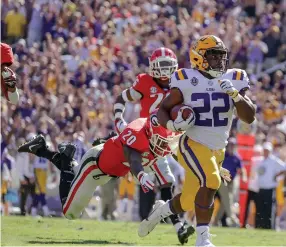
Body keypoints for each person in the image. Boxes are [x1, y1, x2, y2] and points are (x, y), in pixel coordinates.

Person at [138, 35, 256, 247]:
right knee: (211, 182)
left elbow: (249, 117)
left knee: (188, 200)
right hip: (191, 142)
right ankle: (203, 239)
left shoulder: (235, 77)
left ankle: (159, 212)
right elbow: (163, 109)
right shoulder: (185, 77)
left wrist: (236, 96)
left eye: (221, 56)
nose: (219, 61)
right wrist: (172, 126)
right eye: (213, 56)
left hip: (217, 149)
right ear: (199, 57)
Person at [17, 110, 181, 221]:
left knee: (75, 174)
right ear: (151, 134)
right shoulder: (138, 134)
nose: (164, 146)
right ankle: (66, 160)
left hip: (106, 172)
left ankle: (41, 149)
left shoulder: (154, 138)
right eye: (161, 141)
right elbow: (134, 159)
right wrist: (141, 175)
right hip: (94, 167)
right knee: (70, 213)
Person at [114, 47, 194, 244]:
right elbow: (122, 98)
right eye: (162, 65)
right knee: (167, 181)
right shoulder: (144, 81)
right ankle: (177, 226)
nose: (166, 70)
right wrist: (119, 121)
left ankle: (167, 219)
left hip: (168, 139)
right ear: (153, 67)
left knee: (170, 181)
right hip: (147, 138)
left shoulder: (179, 84)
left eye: (169, 65)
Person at [255, 142, 286, 229]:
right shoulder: (261, 160)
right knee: (261, 208)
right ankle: (260, 226)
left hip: (270, 189)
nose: (265, 152)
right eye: (264, 150)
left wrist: (276, 175)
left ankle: (269, 227)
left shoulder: (273, 160)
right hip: (261, 188)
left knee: (269, 209)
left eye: (267, 150)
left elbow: (284, 168)